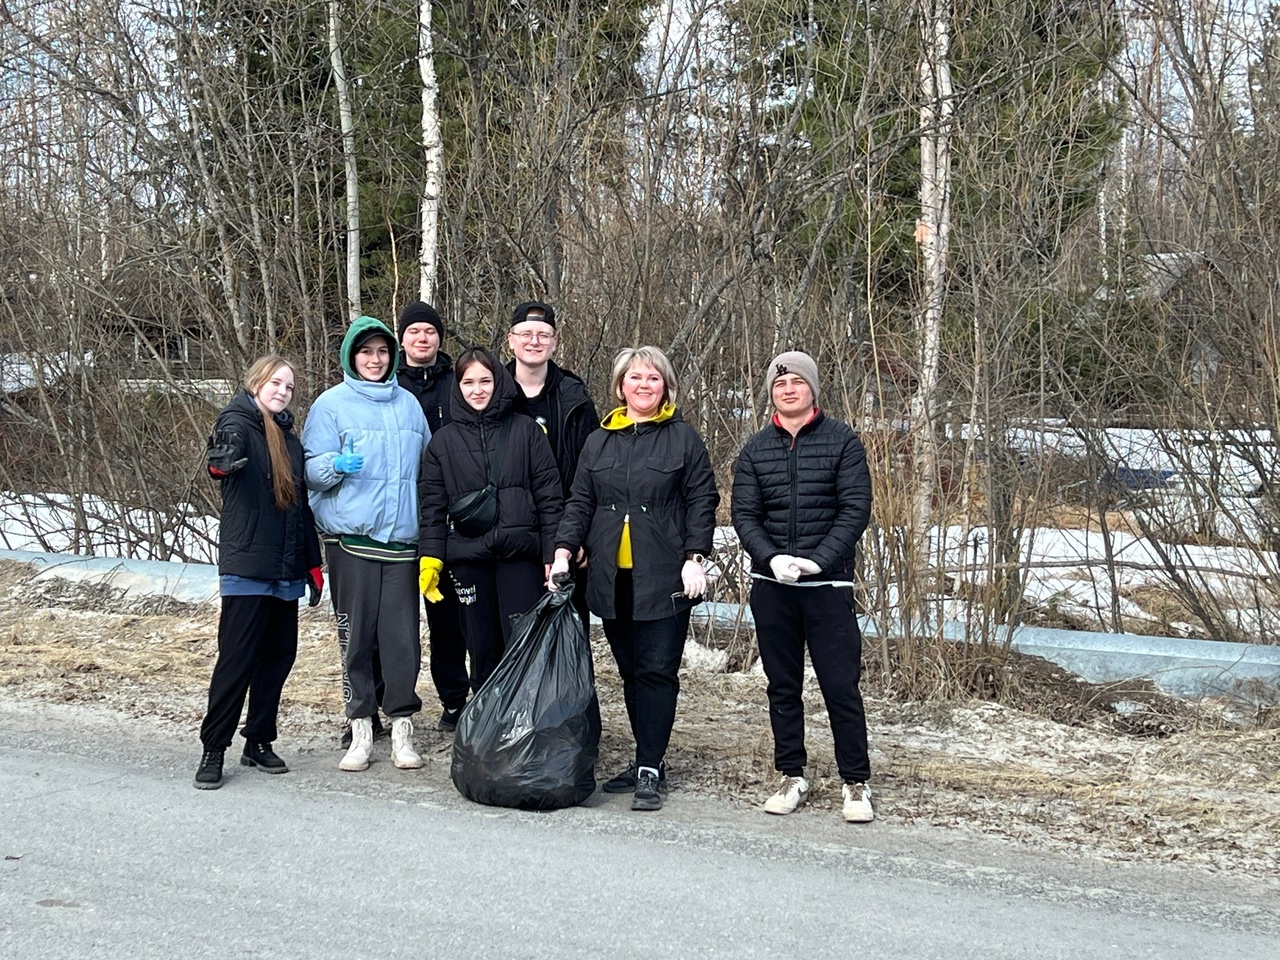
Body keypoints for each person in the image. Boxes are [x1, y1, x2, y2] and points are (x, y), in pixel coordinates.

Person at [550, 346, 719, 812]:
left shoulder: (683, 438)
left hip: (664, 575)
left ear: (665, 386)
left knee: (657, 672)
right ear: (620, 386)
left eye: (653, 379)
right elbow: (580, 500)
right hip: (611, 577)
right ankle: (645, 759)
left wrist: (695, 555)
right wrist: (564, 548)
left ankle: (650, 765)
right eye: (634, 378)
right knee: (629, 671)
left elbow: (703, 498)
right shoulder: (600, 439)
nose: (643, 386)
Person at [730, 351, 875, 823]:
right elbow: (744, 515)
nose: (787, 389)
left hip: (827, 586)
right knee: (782, 686)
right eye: (779, 384)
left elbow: (854, 510)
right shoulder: (755, 449)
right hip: (772, 586)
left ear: (812, 389)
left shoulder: (842, 442)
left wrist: (817, 560)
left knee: (839, 686)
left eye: (796, 382)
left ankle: (856, 782)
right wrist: (771, 558)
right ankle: (791, 773)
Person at [302, 315, 431, 773]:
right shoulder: (330, 405)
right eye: (365, 352)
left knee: (401, 641)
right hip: (351, 541)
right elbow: (309, 471)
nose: (374, 360)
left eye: (381, 352)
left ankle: (401, 728)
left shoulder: (410, 406)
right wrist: (335, 464)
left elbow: (426, 471)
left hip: (401, 543)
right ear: (351, 357)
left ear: (392, 357)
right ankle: (360, 726)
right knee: (356, 638)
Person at [194, 355, 323, 790]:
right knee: (237, 661)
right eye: (276, 383)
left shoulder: (290, 440)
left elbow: (300, 507)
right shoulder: (236, 423)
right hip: (248, 566)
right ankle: (214, 749)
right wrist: (220, 463)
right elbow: (221, 459)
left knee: (277, 659)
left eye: (289, 386)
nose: (283, 391)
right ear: (256, 384)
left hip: (286, 569)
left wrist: (312, 562)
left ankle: (259, 741)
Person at [418, 346, 564, 692]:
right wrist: (431, 557)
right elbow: (432, 509)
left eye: (485, 380)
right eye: (469, 382)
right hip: (469, 559)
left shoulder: (526, 431)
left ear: (499, 382)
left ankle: (525, 726)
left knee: (523, 642)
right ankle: (486, 728)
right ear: (458, 387)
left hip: (520, 557)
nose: (478, 389)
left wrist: (551, 554)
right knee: (481, 647)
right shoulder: (442, 443)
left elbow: (549, 496)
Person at [396, 301, 469, 733]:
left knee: (449, 618)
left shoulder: (456, 382)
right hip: (399, 515)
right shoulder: (386, 383)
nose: (422, 338)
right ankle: (382, 702)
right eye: (414, 331)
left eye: (429, 331)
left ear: (439, 337)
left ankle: (455, 700)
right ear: (401, 337)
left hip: (449, 514)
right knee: (391, 620)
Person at [505, 300, 598, 636]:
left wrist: (580, 536)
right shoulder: (491, 393)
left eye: (543, 335)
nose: (534, 341)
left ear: (555, 342)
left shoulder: (575, 396)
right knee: (513, 635)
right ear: (510, 340)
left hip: (565, 533)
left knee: (567, 635)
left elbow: (591, 474)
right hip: (510, 535)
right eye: (526, 333)